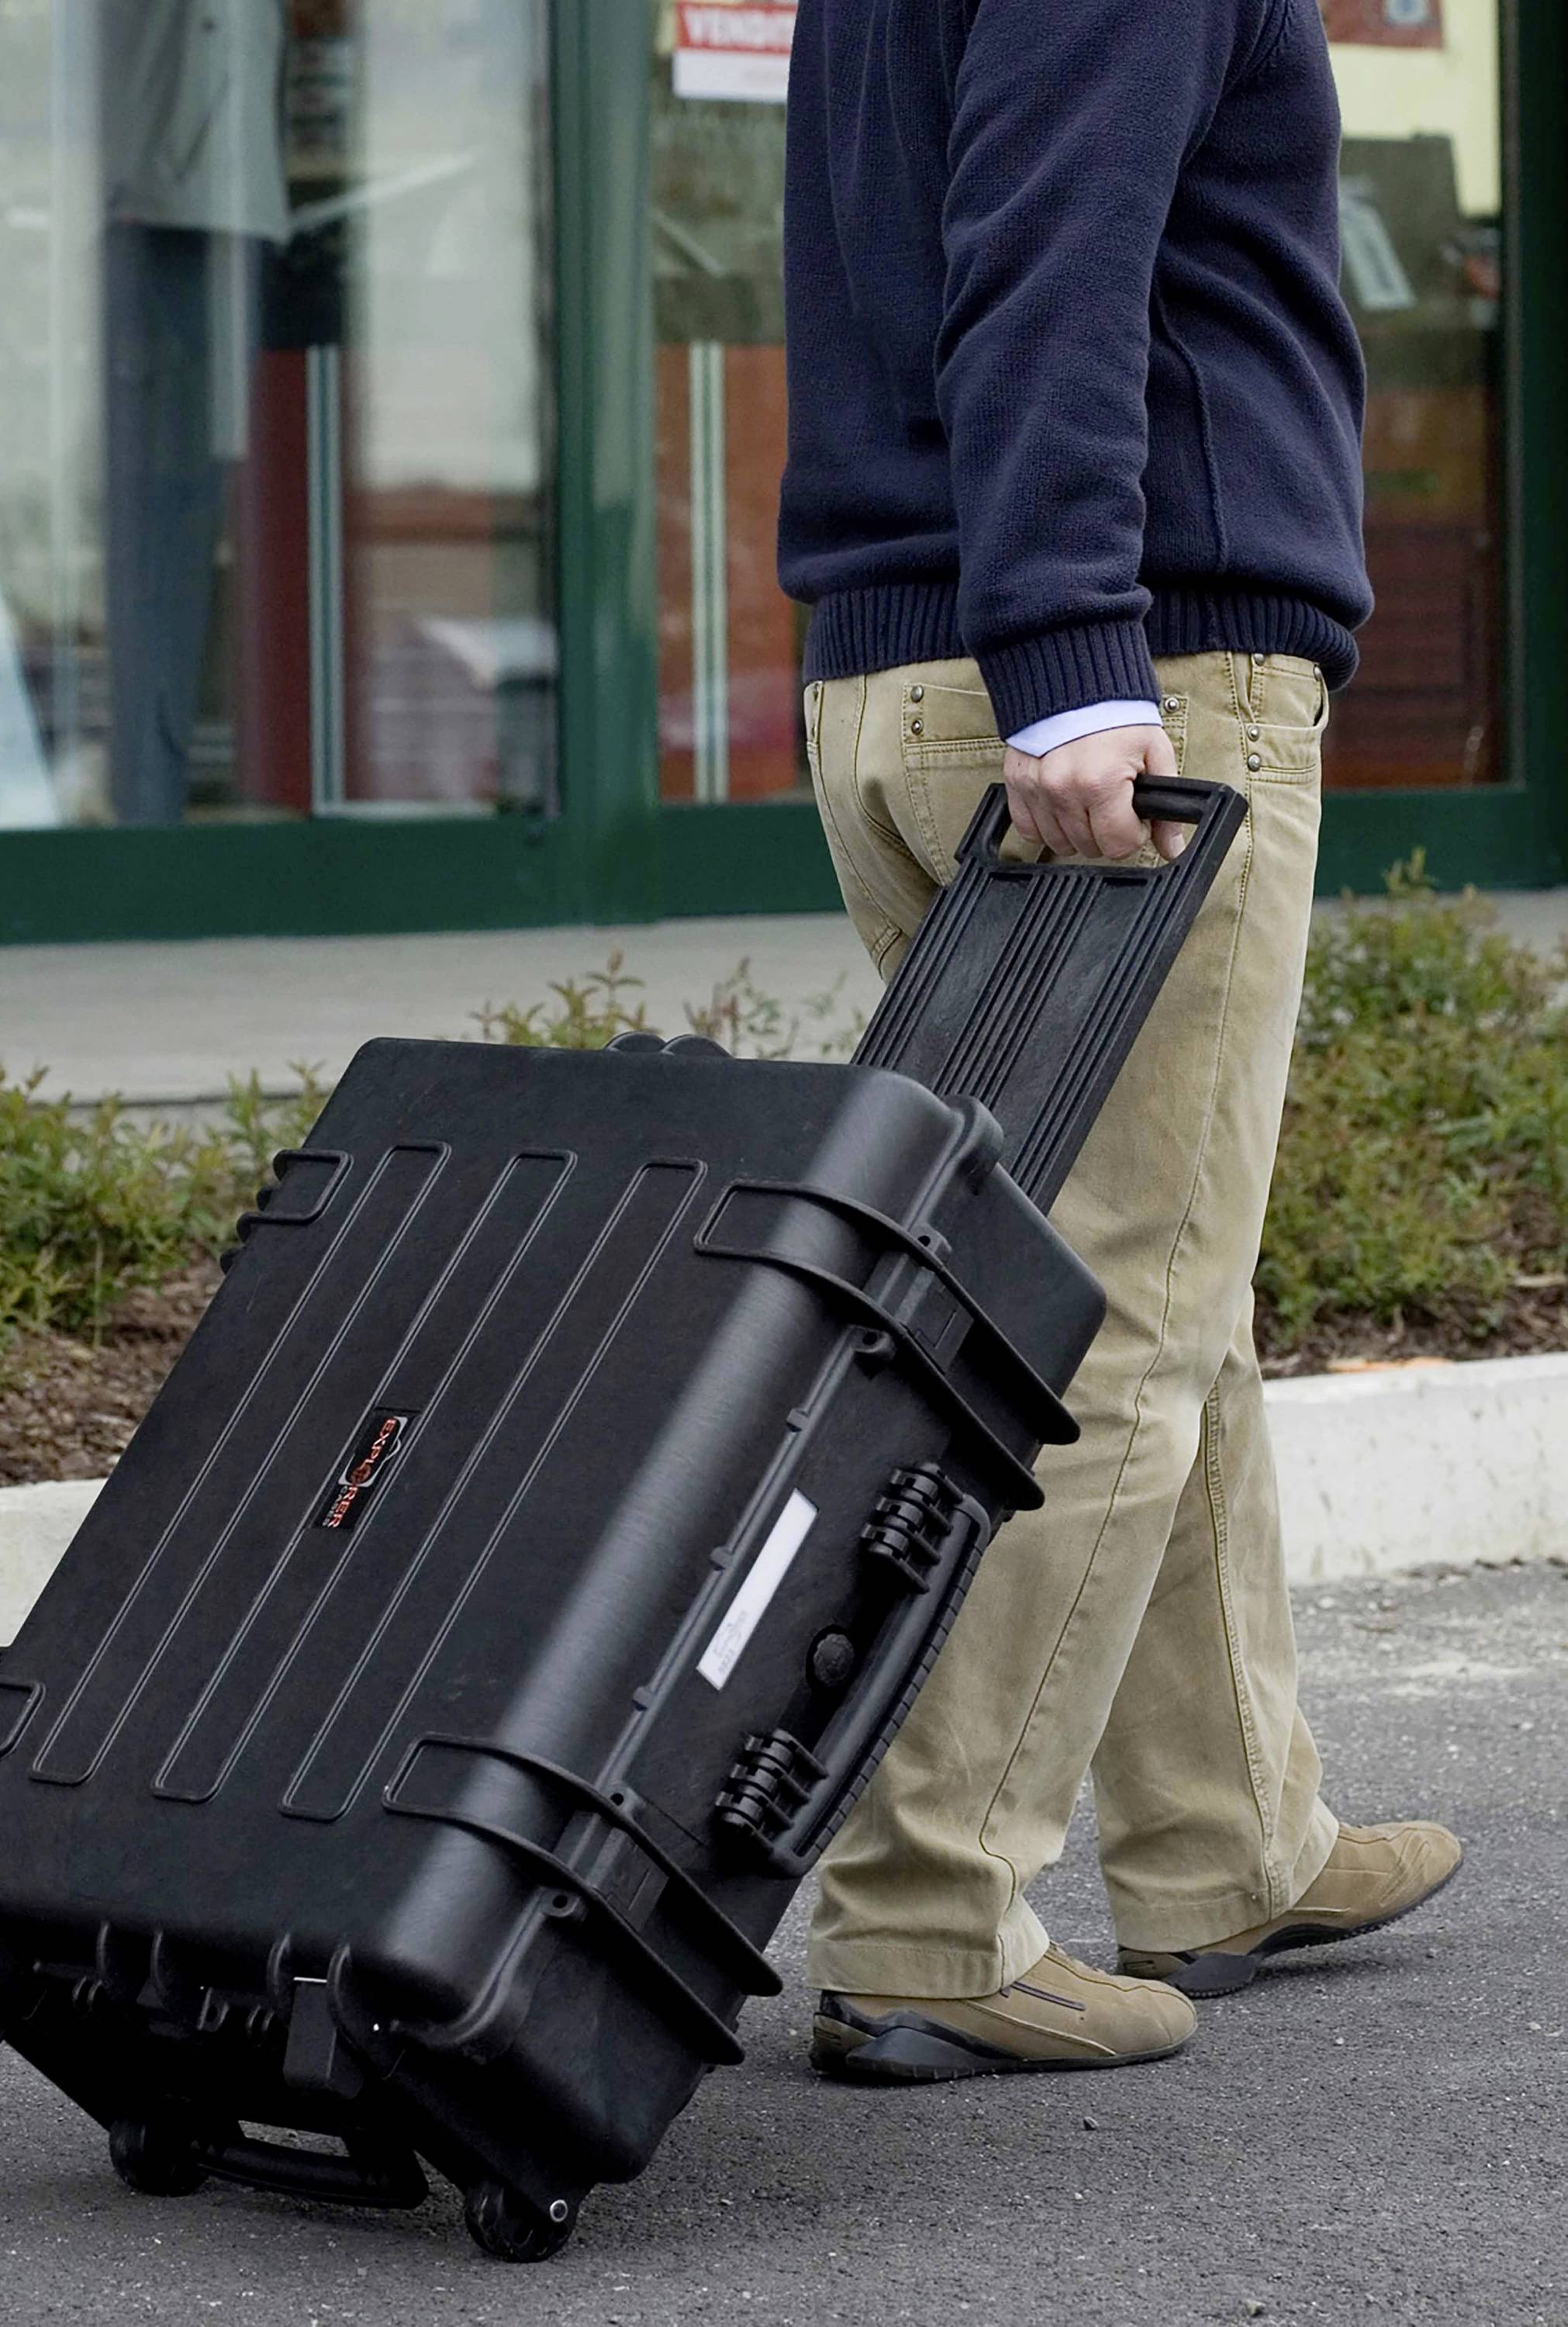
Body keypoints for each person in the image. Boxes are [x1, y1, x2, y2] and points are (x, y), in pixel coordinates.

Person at [779, 0, 1461, 2080]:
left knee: (1164, 1278)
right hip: (1113, 689)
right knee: (1120, 1315)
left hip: (908, 675)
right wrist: (1073, 656)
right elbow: (1049, 244)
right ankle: (923, 1915)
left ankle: (1222, 1830)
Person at [99, 0, 290, 825]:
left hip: (192, 199)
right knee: (167, 530)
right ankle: (147, 809)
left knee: (173, 529)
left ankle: (151, 800)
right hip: (182, 205)